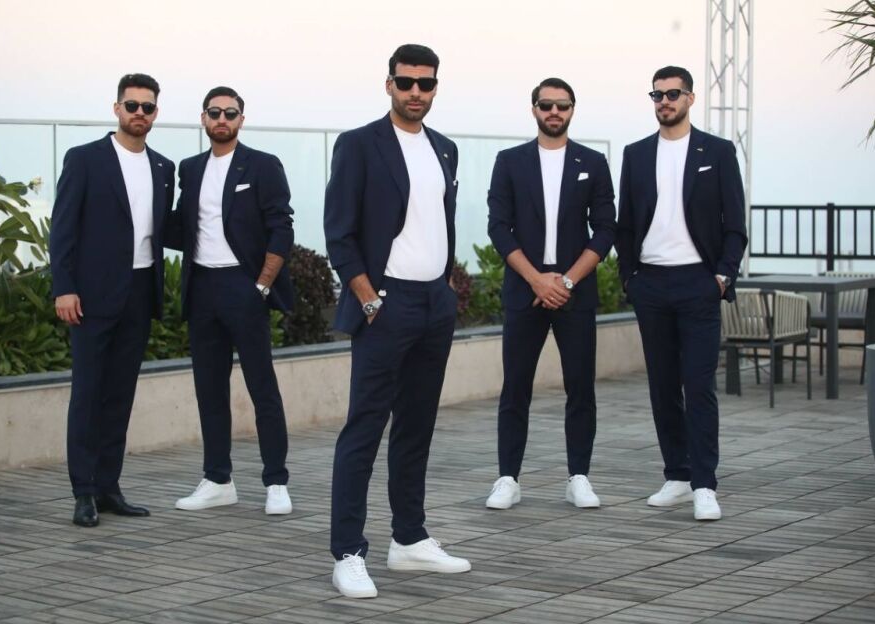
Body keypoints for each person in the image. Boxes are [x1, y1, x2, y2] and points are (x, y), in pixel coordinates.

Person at [323, 43, 470, 599]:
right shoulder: (359, 145)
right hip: (384, 303)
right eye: (405, 82)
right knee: (365, 427)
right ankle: (348, 552)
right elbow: (339, 232)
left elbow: (438, 224)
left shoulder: (445, 149)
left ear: (435, 88)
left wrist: (446, 290)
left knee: (417, 426)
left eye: (425, 84)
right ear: (388, 84)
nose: (415, 92)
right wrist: (367, 297)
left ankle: (408, 538)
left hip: (434, 303)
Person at [615, 65, 747, 521]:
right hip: (651, 282)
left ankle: (705, 484)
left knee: (699, 385)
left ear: (690, 98)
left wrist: (722, 277)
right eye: (657, 95)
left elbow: (735, 225)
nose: (665, 102)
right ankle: (677, 474)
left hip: (698, 283)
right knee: (663, 385)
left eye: (673, 94)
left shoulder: (718, 151)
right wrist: (630, 278)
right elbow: (626, 223)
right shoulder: (635, 154)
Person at [485, 77, 616, 511]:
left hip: (574, 294)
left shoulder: (593, 162)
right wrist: (537, 280)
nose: (554, 112)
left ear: (572, 110)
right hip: (525, 292)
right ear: (534, 109)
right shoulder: (509, 161)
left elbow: (606, 229)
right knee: (515, 388)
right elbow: (498, 227)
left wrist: (566, 282)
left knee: (580, 388)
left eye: (562, 105)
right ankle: (508, 478)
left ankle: (579, 477)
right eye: (546, 105)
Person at [50, 73, 174, 527]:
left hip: (139, 293)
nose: (139, 113)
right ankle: (83, 491)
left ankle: (108, 487)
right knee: (87, 394)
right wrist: (64, 287)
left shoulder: (163, 167)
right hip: (91, 296)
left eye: (147, 107)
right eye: (132, 105)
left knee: (120, 395)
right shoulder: (85, 159)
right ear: (117, 108)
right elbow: (63, 228)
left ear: (155, 113)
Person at [166, 86, 294, 516]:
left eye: (230, 113)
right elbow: (182, 225)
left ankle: (276, 480)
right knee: (209, 389)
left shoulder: (262, 165)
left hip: (245, 287)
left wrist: (262, 285)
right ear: (203, 118)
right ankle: (218, 479)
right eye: (215, 112)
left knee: (262, 387)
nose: (222, 119)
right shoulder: (190, 169)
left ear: (241, 119)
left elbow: (281, 228)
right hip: (202, 288)